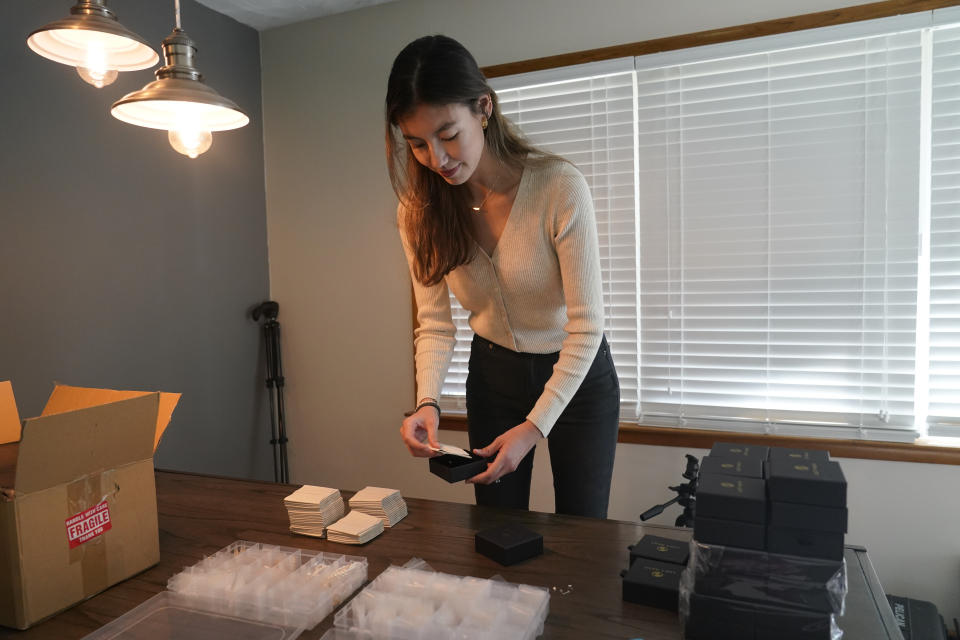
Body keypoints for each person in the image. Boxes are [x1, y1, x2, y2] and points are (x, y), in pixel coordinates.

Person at [386, 35, 620, 518]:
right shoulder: (418, 210)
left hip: (576, 376)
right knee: (496, 527)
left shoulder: (558, 187)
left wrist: (533, 428)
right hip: (493, 377)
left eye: (448, 134)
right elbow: (434, 324)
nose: (437, 158)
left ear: (483, 108)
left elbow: (586, 327)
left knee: (582, 532)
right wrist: (426, 403)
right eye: (417, 144)